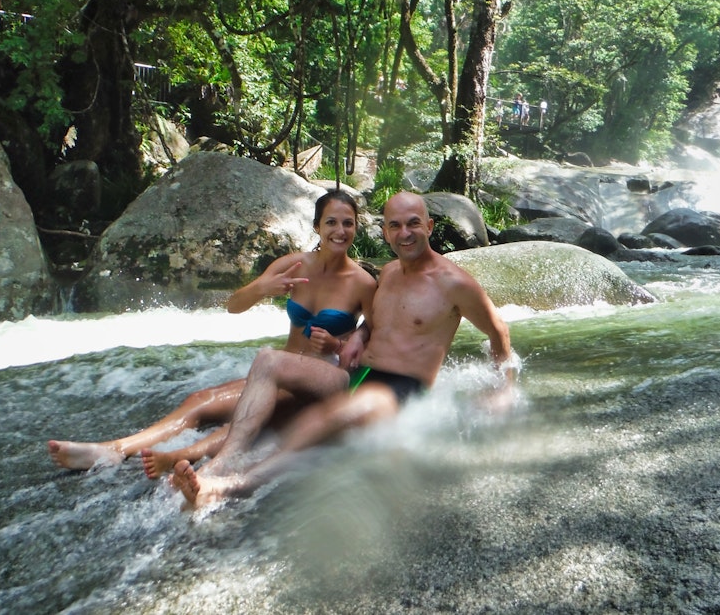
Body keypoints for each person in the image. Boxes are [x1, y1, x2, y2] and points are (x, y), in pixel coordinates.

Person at [171, 191, 515, 508]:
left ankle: (233, 486)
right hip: (358, 373)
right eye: (395, 225)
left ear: (429, 226)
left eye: (413, 223)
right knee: (269, 360)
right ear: (384, 232)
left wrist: (505, 388)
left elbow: (498, 331)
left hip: (402, 388)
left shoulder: (455, 284)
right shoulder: (390, 271)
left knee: (335, 413)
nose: (404, 233)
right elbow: (378, 320)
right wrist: (358, 339)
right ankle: (223, 462)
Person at [47, 190, 377, 476]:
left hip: (318, 380)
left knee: (254, 417)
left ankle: (187, 459)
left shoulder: (362, 283)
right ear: (317, 226)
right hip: (281, 368)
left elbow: (374, 339)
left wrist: (339, 342)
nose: (340, 230)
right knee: (200, 400)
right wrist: (262, 287)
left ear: (356, 228)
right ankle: (114, 448)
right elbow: (234, 306)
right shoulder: (293, 264)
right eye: (331, 222)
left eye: (347, 223)